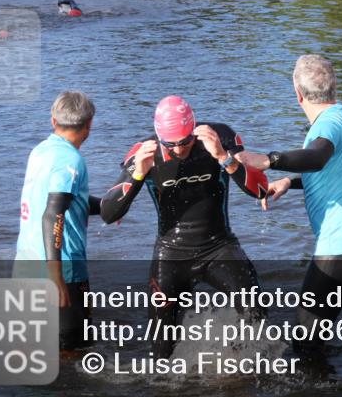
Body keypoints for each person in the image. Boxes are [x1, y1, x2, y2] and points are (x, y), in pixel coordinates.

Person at [235, 55, 342, 360]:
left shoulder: (329, 125)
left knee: (306, 345)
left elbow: (317, 157)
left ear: (298, 95)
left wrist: (270, 160)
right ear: (335, 87)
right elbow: (336, 174)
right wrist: (289, 183)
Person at [100, 96, 270, 359]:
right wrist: (137, 176)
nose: (179, 149)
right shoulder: (144, 152)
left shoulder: (219, 137)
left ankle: (239, 371)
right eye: (171, 145)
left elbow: (260, 189)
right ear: (159, 137)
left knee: (256, 307)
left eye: (185, 141)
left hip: (219, 247)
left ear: (193, 129)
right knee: (160, 351)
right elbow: (108, 213)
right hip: (171, 254)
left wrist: (225, 158)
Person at [14, 92, 101, 349]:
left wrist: (109, 205)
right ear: (89, 126)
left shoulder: (40, 150)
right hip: (63, 271)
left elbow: (61, 200)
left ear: (53, 121)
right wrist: (56, 278)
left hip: (26, 265)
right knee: (75, 351)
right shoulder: (70, 160)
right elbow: (53, 213)